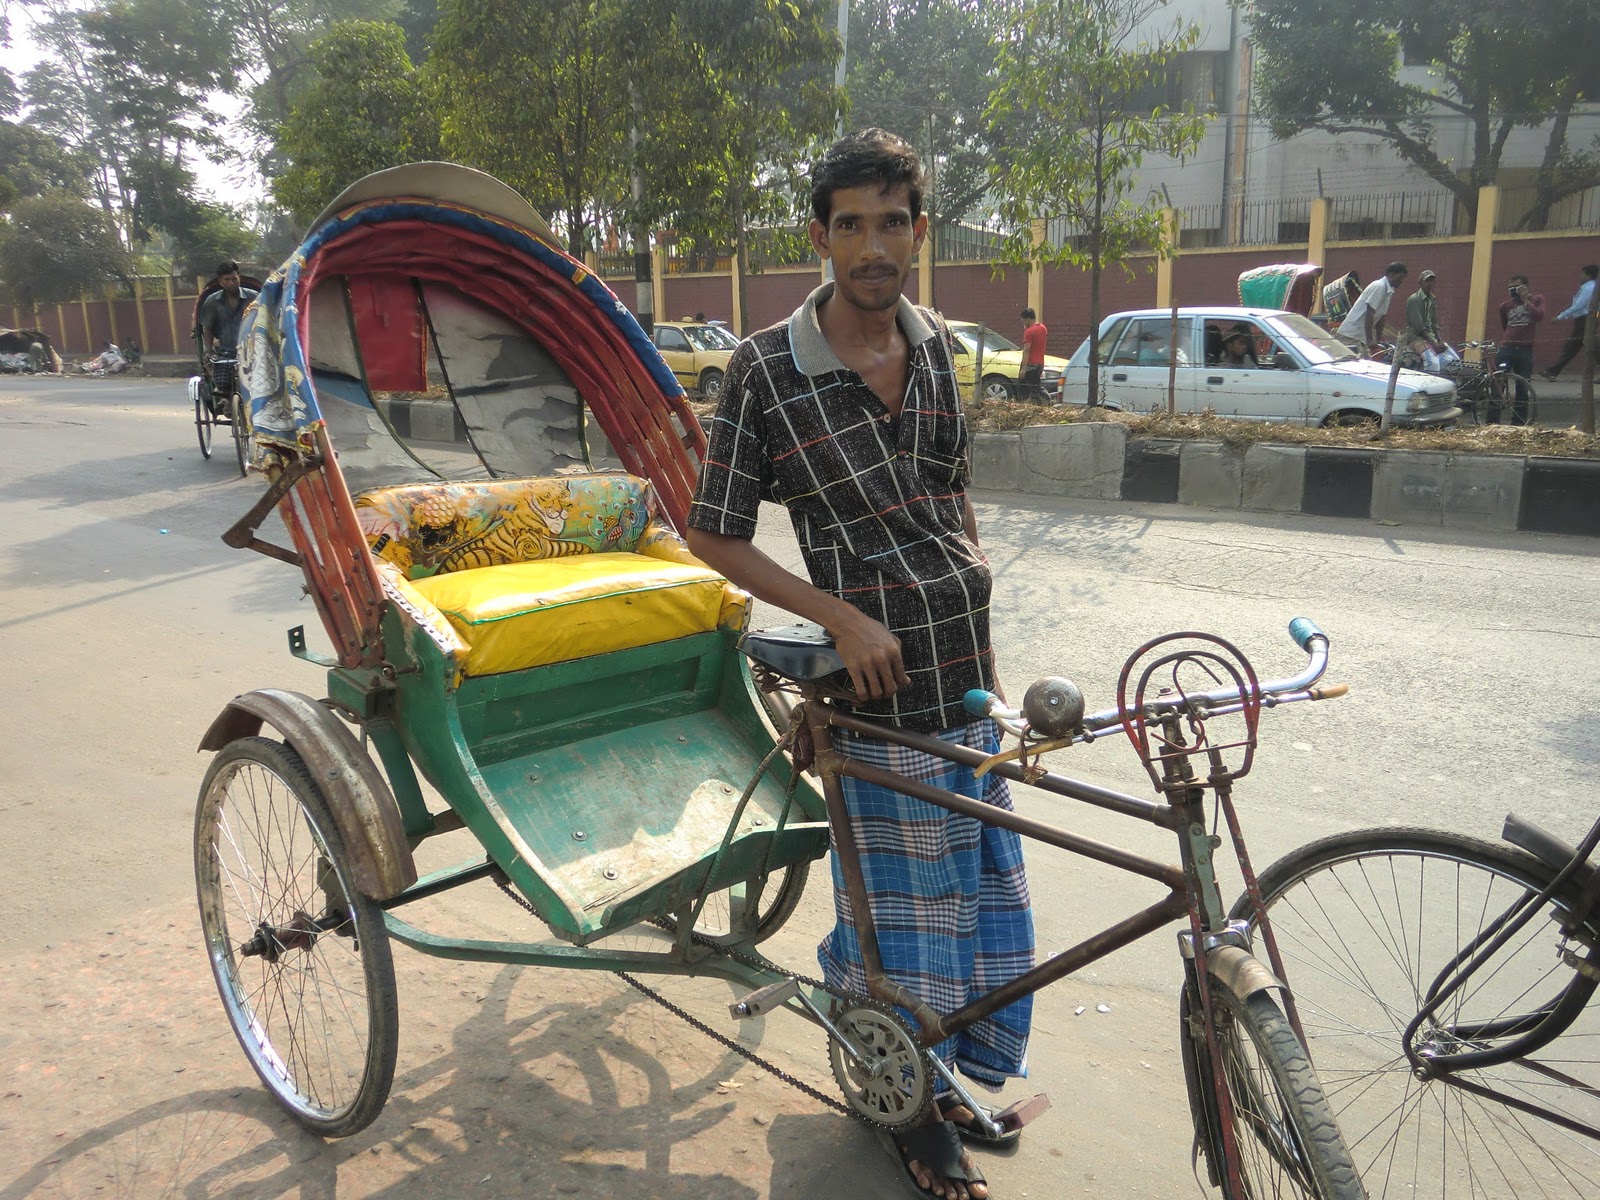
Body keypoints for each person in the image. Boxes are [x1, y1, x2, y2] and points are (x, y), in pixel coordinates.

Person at [685, 128, 1032, 1200]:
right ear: (820, 237)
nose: (872, 244)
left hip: (965, 674)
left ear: (918, 232)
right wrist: (838, 618)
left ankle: (957, 1080)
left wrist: (987, 628)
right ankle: (912, 1112)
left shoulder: (934, 346)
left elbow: (952, 501)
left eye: (892, 222)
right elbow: (714, 532)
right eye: (851, 225)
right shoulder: (764, 373)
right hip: (873, 694)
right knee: (902, 920)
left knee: (981, 903)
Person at [198, 261, 259, 414]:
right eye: (227, 280)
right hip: (225, 351)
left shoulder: (254, 298)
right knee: (222, 381)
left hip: (251, 350)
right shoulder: (212, 302)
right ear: (220, 281)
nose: (232, 282)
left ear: (239, 277)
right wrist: (208, 349)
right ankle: (227, 399)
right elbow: (208, 328)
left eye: (234, 278)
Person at [1491, 274, 1544, 424]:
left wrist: (1526, 301)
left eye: (1516, 288)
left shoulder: (1537, 299)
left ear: (1526, 287)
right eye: (1510, 288)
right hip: (1507, 348)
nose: (1513, 291)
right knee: (1498, 383)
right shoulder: (1505, 306)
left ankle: (1518, 423)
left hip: (1525, 350)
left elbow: (1539, 316)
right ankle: (1492, 422)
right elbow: (1505, 325)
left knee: (1522, 387)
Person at [1336, 261, 1408, 355]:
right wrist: (1370, 339)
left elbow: (1381, 317)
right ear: (1391, 274)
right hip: (1350, 336)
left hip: (1360, 338)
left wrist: (1379, 340)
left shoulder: (1389, 291)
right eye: (1400, 278)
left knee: (1368, 366)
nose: (1401, 281)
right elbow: (1370, 312)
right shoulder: (1380, 286)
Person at [1541, 264, 1598, 380]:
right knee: (1589, 347)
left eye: (1582, 273)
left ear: (1587, 275)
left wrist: (1560, 317)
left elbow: (1578, 306)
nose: (1580, 276)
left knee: (1573, 348)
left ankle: (1552, 372)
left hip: (1584, 321)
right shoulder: (1592, 287)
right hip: (1587, 320)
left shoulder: (1589, 288)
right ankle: (1552, 372)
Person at [1403, 270, 1460, 374]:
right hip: (1417, 338)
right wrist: (1434, 343)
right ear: (1420, 283)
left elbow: (1435, 323)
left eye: (1432, 281)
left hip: (1431, 337)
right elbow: (1418, 327)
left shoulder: (1432, 300)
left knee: (1455, 362)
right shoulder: (1414, 300)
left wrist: (1440, 341)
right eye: (1427, 281)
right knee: (1432, 362)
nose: (1430, 284)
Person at [1019, 307, 1048, 401]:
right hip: (1040, 363)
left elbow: (1027, 350)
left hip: (1030, 363)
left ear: (1028, 319)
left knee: (1025, 387)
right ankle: (1041, 402)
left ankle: (1045, 399)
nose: (1023, 324)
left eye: (1024, 321)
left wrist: (1023, 368)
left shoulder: (1029, 332)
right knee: (1036, 385)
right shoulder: (1043, 328)